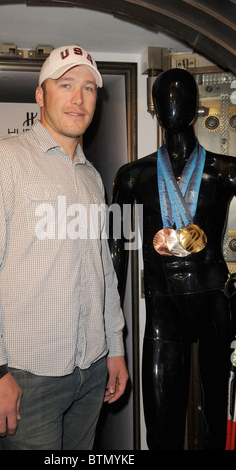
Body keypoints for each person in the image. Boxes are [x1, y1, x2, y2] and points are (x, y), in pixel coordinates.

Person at [0, 45, 128, 451]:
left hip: (92, 369)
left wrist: (114, 347)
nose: (78, 98)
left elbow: (102, 269)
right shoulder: (2, 159)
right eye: (65, 85)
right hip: (28, 377)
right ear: (40, 95)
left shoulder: (91, 178)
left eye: (88, 88)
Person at [109, 68, 236, 450]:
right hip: (163, 312)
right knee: (161, 431)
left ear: (197, 108)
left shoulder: (226, 171)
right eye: (166, 99)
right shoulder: (132, 176)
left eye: (181, 98)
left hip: (216, 304)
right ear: (155, 109)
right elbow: (115, 248)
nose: (174, 106)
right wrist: (111, 325)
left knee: (219, 422)